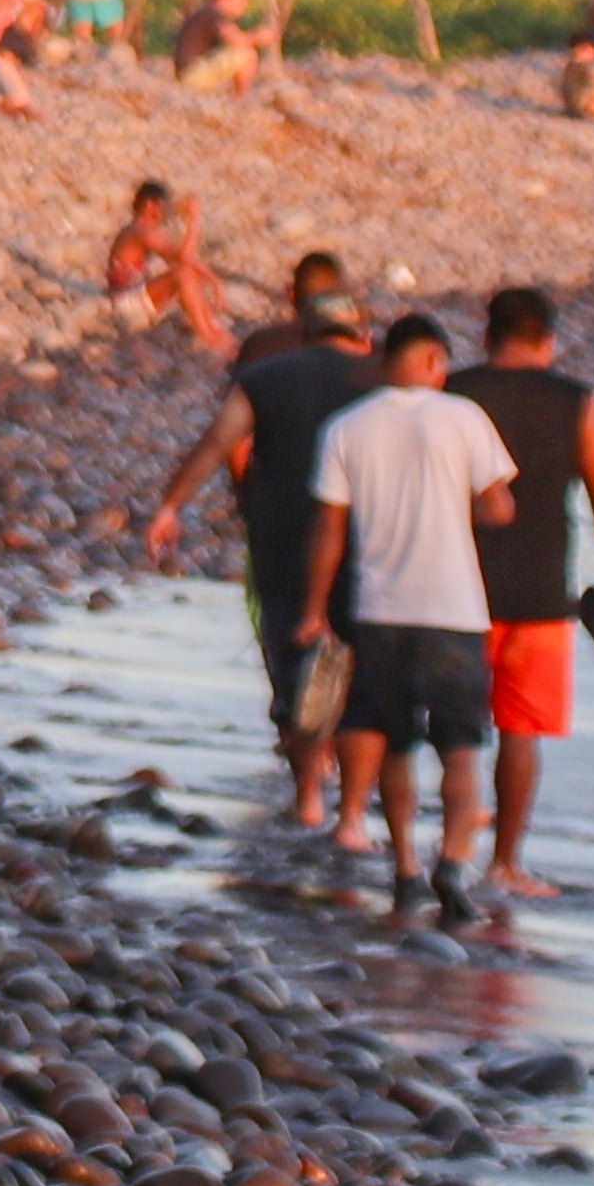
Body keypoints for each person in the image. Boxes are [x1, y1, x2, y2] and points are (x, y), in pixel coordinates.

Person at [293, 314, 521, 921]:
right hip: (454, 610)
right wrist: (452, 509)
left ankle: (404, 868)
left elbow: (329, 532)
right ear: (430, 360)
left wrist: (315, 611)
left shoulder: (346, 427)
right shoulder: (464, 417)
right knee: (462, 747)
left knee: (396, 744)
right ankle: (453, 860)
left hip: (380, 609)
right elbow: (499, 507)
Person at [145, 274, 384, 831]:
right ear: (363, 335)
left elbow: (217, 443)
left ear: (307, 332)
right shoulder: (380, 383)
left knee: (299, 668)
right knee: (359, 676)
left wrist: (170, 507)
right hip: (365, 547)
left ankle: (308, 796)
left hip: (283, 542)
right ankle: (352, 815)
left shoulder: (267, 377)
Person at [444, 287, 594, 900]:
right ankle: (504, 865)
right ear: (548, 338)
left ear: (486, 333)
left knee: (461, 727)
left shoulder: (455, 391)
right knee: (520, 731)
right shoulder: (576, 402)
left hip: (458, 581)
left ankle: (452, 849)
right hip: (542, 587)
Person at [101, 180, 227, 349]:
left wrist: (212, 280)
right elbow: (183, 257)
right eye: (164, 206)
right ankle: (207, 333)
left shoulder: (139, 228)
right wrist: (193, 221)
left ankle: (210, 326)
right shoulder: (141, 230)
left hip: (132, 294)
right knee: (182, 274)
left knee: (186, 272)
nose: (167, 212)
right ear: (150, 205)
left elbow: (183, 261)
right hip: (125, 300)